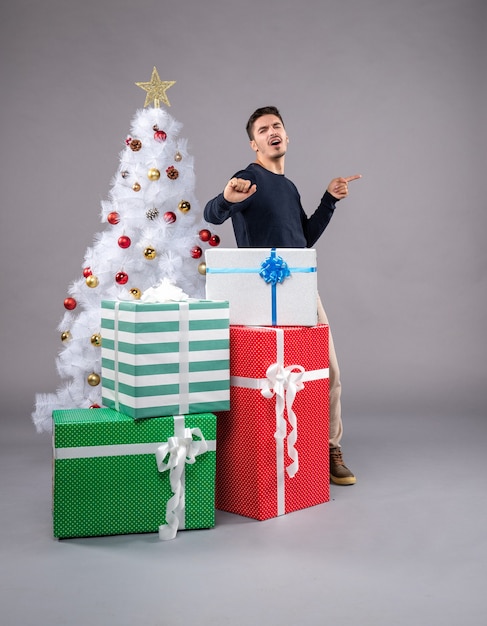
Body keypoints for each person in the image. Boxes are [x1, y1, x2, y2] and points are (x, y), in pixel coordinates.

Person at [204, 106, 361, 485]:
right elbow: (213, 214)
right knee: (260, 379)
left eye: (277, 126)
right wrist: (226, 197)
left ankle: (327, 449)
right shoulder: (246, 178)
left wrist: (329, 200)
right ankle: (248, 457)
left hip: (301, 288)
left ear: (287, 137)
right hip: (257, 294)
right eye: (263, 129)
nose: (271, 131)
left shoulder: (289, 188)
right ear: (254, 143)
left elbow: (302, 241)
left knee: (329, 372)